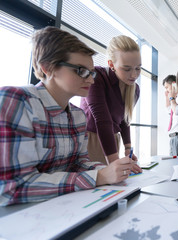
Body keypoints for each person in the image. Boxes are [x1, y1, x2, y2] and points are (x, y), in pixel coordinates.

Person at [0, 27, 136, 206]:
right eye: (81, 71)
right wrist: (98, 176)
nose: (91, 80)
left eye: (92, 72)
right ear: (48, 68)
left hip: (64, 207)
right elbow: (11, 188)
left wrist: (112, 169)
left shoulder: (78, 116)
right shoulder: (16, 101)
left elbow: (79, 164)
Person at [80, 35, 141, 175]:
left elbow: (125, 120)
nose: (134, 75)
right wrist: (115, 164)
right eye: (127, 69)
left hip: (112, 138)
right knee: (95, 183)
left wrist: (127, 148)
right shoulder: (96, 76)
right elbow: (102, 120)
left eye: (138, 68)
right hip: (91, 138)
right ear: (111, 64)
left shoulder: (135, 89)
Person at [162, 75, 178, 156]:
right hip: (174, 137)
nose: (166, 90)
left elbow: (176, 111)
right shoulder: (176, 99)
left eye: (167, 87)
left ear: (174, 84)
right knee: (172, 163)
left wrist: (172, 98)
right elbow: (169, 110)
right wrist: (168, 97)